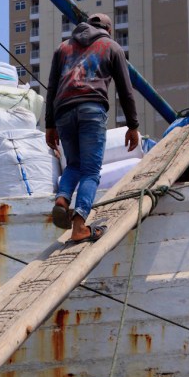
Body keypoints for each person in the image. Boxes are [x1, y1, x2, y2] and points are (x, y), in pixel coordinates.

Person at [45, 13, 140, 243]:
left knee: (74, 164)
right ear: (108, 29)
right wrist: (132, 125)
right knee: (90, 170)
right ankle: (79, 226)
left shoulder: (63, 48)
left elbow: (51, 88)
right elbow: (125, 91)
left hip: (63, 112)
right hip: (91, 109)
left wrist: (49, 125)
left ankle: (62, 199)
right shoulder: (111, 46)